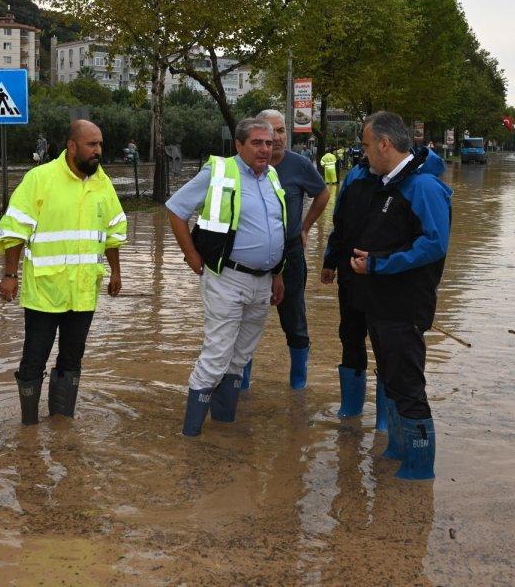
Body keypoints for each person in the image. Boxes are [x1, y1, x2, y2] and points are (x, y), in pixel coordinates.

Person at [322, 111, 451, 480]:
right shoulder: (382, 182)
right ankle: (397, 447)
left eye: (365, 145)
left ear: (384, 144)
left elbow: (434, 245)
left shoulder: (423, 187)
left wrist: (378, 264)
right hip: (377, 301)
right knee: (393, 379)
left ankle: (419, 470)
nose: (362, 152)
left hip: (404, 303)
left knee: (407, 385)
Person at [0, 120, 127, 425]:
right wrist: (10, 275)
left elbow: (113, 231)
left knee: (71, 359)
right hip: (45, 292)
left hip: (83, 293)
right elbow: (15, 229)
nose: (98, 151)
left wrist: (116, 272)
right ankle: (28, 427)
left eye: (100, 144)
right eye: (92, 145)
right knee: (33, 359)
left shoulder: (102, 183)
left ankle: (62, 424)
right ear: (72, 146)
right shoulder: (40, 179)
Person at [165, 118, 286, 436]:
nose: (264, 149)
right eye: (257, 143)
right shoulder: (218, 172)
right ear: (239, 145)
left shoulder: (271, 175)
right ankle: (190, 435)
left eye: (269, 143)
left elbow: (276, 227)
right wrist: (190, 254)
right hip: (227, 278)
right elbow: (176, 209)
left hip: (262, 280)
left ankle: (224, 429)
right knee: (218, 353)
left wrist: (277, 274)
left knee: (242, 355)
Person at [243, 109, 329, 390]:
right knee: (244, 324)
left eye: (281, 131)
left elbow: (323, 193)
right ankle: (239, 386)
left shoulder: (299, 165)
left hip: (290, 255)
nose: (277, 138)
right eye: (270, 132)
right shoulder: (243, 167)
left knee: (294, 320)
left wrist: (305, 227)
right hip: (250, 260)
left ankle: (298, 387)